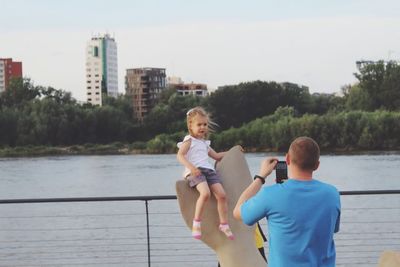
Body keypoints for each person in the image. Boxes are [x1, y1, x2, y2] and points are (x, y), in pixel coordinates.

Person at [233, 136, 341, 267]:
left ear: (288, 159)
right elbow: (332, 229)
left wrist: (260, 177)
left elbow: (238, 212)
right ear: (317, 165)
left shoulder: (271, 194)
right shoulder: (332, 194)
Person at [177, 107, 234, 240]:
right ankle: (196, 222)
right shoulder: (189, 141)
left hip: (209, 171)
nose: (203, 127)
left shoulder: (204, 143)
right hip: (195, 171)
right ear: (190, 125)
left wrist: (233, 151)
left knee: (222, 195)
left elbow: (217, 156)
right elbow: (180, 156)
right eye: (199, 124)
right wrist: (191, 168)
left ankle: (224, 224)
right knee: (205, 193)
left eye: (205, 124)